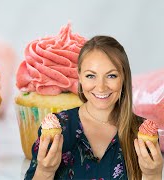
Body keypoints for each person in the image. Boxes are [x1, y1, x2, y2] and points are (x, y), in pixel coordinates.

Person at [24, 36, 163, 179]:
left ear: (124, 78)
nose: (101, 87)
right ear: (79, 77)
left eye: (111, 76)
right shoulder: (58, 128)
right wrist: (45, 172)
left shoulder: (141, 132)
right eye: (91, 76)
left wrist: (152, 175)